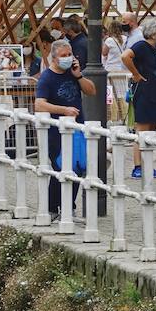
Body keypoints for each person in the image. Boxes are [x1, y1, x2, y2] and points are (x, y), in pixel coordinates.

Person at [35, 38, 97, 219]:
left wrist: (78, 75)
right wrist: (63, 110)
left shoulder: (72, 73)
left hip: (77, 128)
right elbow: (39, 104)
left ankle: (69, 206)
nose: (68, 58)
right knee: (59, 167)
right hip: (56, 131)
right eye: (63, 56)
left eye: (69, 55)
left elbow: (91, 91)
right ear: (54, 58)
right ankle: (53, 207)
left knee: (77, 167)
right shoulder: (47, 78)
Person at [122, 17, 156, 179]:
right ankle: (137, 166)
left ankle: (147, 164)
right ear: (154, 32)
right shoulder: (141, 46)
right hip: (144, 91)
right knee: (142, 130)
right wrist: (136, 74)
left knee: (150, 131)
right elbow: (125, 56)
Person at [102, 21, 127, 122]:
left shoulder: (109, 40)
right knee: (122, 93)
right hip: (122, 69)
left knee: (110, 94)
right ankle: (124, 116)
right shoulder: (126, 39)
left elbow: (104, 53)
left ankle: (112, 116)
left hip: (111, 70)